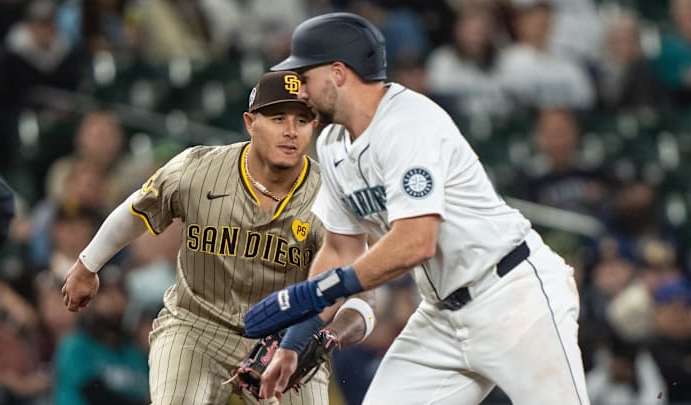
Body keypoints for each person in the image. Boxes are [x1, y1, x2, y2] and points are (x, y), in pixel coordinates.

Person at [243, 12, 591, 404]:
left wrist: (316, 292)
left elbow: (416, 242)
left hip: (512, 296)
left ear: (338, 72)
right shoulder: (331, 143)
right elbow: (341, 252)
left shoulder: (409, 123)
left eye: (305, 77)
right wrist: (296, 338)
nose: (299, 91)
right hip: (442, 316)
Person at [61, 70, 375, 405]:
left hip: (284, 341)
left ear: (313, 127)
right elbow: (136, 210)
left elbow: (364, 300)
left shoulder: (330, 196)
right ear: (250, 123)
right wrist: (87, 264)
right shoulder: (199, 169)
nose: (290, 131)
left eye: (301, 120)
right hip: (196, 327)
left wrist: (327, 336)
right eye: (277, 117)